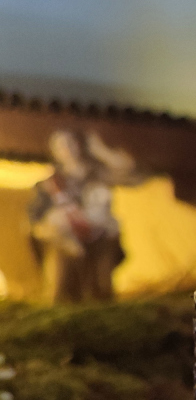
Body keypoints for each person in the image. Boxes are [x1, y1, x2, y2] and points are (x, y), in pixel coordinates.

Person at [27, 130, 136, 303]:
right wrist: (54, 230)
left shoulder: (98, 175)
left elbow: (126, 169)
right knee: (61, 292)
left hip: (99, 242)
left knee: (101, 292)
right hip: (65, 245)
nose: (66, 149)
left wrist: (100, 150)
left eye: (70, 144)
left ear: (78, 145)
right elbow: (34, 220)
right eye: (60, 146)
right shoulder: (50, 184)